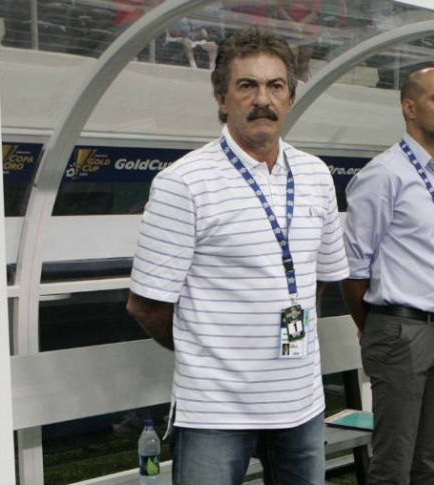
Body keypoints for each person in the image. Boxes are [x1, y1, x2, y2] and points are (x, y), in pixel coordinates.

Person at [126, 28, 349, 485]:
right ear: (222, 98)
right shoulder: (182, 183)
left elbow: (317, 281)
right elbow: (146, 305)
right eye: (246, 86)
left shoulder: (317, 175)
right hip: (215, 407)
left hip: (300, 404)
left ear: (290, 97)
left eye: (275, 86)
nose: (262, 99)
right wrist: (210, 350)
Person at [341, 67, 434, 485]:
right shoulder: (384, 174)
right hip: (401, 328)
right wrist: (376, 325)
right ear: (409, 108)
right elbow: (353, 269)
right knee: (394, 462)